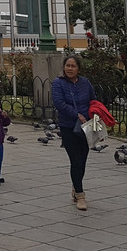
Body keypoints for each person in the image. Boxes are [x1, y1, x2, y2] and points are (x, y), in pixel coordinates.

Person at [52, 55, 97, 211]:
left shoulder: (85, 83)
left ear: (78, 68)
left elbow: (93, 99)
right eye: (67, 66)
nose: (70, 69)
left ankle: (75, 186)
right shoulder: (58, 83)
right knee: (75, 160)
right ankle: (80, 194)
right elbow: (59, 103)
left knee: (83, 160)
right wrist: (75, 114)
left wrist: (94, 114)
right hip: (69, 126)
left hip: (86, 126)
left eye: (73, 66)